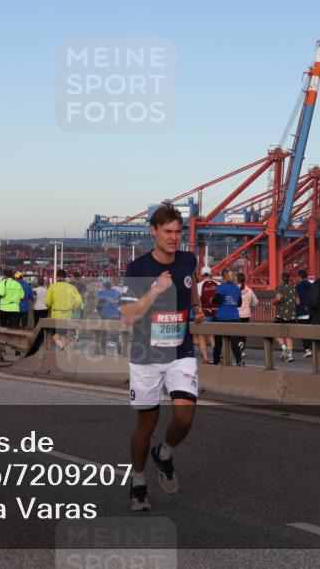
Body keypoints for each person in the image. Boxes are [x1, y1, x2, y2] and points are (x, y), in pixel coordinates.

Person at [119, 204, 202, 511]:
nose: (173, 237)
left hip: (180, 350)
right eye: (167, 231)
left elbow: (190, 283)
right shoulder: (138, 269)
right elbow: (127, 315)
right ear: (153, 232)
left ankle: (164, 454)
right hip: (146, 354)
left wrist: (198, 308)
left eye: (178, 232)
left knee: (184, 416)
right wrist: (154, 291)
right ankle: (138, 483)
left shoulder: (188, 260)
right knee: (147, 422)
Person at [45, 269, 83, 350]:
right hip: (68, 315)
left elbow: (47, 302)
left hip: (56, 315)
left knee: (55, 336)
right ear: (65, 277)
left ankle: (63, 347)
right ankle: (64, 352)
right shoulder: (72, 288)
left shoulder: (52, 287)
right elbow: (79, 301)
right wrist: (73, 308)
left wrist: (50, 306)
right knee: (63, 335)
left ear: (57, 276)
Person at [211, 270, 243, 366]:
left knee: (218, 343)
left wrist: (213, 300)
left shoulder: (221, 287)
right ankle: (239, 361)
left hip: (221, 317)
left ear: (223, 277)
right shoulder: (237, 288)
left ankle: (216, 362)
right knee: (234, 342)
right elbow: (239, 304)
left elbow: (218, 299)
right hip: (235, 317)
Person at [195, 267, 218, 365]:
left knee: (201, 335)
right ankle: (218, 357)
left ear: (202, 274)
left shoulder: (199, 285)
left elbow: (197, 301)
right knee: (212, 335)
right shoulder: (217, 284)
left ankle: (205, 359)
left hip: (206, 313)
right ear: (210, 274)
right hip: (217, 313)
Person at [272, 272, 297, 362]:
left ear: (281, 279)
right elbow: (298, 302)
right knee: (289, 335)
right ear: (289, 279)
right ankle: (290, 355)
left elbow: (278, 298)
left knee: (276, 332)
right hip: (292, 315)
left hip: (281, 315)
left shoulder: (279, 288)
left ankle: (284, 348)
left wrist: (274, 301)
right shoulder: (293, 288)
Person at [236, 272, 258, 360]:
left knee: (237, 332)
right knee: (243, 333)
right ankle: (242, 350)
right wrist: (249, 305)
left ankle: (238, 348)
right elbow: (256, 302)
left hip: (237, 314)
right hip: (246, 314)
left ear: (237, 280)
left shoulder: (235, 289)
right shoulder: (249, 290)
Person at [96, 277, 122, 353]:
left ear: (103, 284)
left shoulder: (101, 293)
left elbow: (99, 306)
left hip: (105, 315)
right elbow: (120, 302)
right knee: (114, 331)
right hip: (116, 315)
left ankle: (103, 352)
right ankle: (118, 342)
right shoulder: (116, 292)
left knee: (103, 334)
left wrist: (98, 312)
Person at [294, 269, 314, 358]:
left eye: (296, 276)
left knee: (304, 332)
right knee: (310, 331)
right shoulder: (312, 285)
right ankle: (312, 348)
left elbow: (296, 301)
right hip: (312, 312)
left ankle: (307, 349)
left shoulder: (297, 287)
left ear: (299, 277)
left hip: (302, 312)